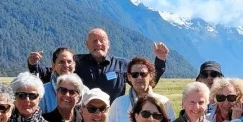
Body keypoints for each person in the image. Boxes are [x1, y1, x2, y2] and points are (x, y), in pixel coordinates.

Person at [27, 29, 169, 101]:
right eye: (94, 41)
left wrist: (160, 60)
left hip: (113, 117)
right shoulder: (76, 62)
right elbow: (52, 72)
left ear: (108, 43)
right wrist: (33, 64)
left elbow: (145, 83)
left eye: (102, 40)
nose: (98, 44)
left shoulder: (122, 65)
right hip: (83, 118)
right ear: (87, 44)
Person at [108, 57, 176, 122]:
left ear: (151, 76)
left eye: (143, 74)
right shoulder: (118, 103)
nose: (139, 78)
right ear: (129, 77)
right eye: (135, 75)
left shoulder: (163, 102)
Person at [26, 47, 79, 114]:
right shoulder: (42, 93)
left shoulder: (83, 91)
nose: (66, 65)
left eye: (69, 62)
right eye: (61, 62)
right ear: (53, 65)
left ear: (74, 65)